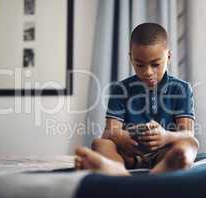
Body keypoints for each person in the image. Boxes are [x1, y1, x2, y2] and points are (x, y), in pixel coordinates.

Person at [75, 23, 199, 175]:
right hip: (129, 156)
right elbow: (109, 131)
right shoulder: (120, 89)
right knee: (100, 143)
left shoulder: (182, 89)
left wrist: (165, 136)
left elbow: (187, 132)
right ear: (131, 58)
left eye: (155, 64)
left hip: (165, 153)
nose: (148, 72)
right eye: (140, 65)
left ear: (168, 56)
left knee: (191, 143)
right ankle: (118, 170)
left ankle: (164, 167)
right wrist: (122, 137)